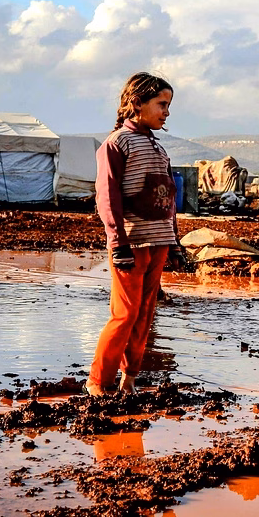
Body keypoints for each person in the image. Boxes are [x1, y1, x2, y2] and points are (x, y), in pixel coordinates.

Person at [88, 72, 179, 396]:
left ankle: (130, 378)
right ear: (137, 103)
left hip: (159, 242)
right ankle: (98, 381)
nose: (166, 112)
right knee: (125, 313)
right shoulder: (116, 144)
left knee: (144, 314)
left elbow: (168, 196)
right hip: (132, 242)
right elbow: (107, 196)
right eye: (162, 104)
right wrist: (117, 242)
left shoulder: (156, 146)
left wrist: (175, 239)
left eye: (169, 105)